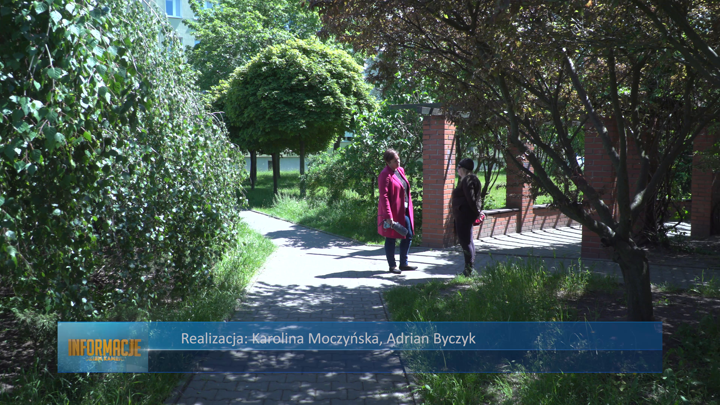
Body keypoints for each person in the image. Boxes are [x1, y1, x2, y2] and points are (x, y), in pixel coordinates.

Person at [378, 149, 417, 274]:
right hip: (393, 212)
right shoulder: (385, 175)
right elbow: (383, 196)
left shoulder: (400, 170)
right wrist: (388, 215)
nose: (398, 162)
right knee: (391, 238)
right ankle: (392, 266)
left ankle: (403, 263)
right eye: (395, 161)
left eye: (398, 159)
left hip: (404, 209)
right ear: (388, 162)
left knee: (408, 235)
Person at [452, 158, 484, 276]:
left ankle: (468, 270)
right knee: (469, 241)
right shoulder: (473, 179)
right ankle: (470, 268)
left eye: (458, 168)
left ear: (462, 169)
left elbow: (471, 198)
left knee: (465, 242)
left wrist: (477, 212)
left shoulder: (467, 180)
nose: (457, 170)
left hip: (464, 215)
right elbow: (477, 198)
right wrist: (477, 211)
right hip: (465, 214)